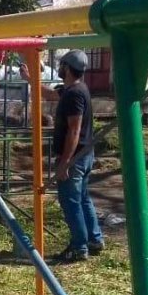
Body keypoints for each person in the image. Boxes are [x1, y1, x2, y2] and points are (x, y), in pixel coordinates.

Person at [50, 50, 104, 263]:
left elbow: (74, 130)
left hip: (75, 157)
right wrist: (30, 79)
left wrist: (64, 162)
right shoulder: (76, 89)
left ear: (67, 68)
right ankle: (94, 239)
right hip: (85, 155)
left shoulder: (74, 95)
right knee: (82, 199)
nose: (59, 68)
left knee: (70, 201)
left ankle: (79, 246)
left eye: (62, 65)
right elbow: (51, 95)